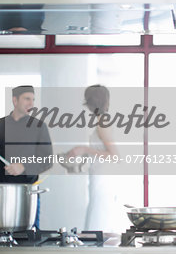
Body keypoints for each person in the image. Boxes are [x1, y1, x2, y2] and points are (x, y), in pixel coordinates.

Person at [66, 85, 121, 232]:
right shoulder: (101, 121)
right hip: (100, 176)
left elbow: (114, 156)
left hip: (103, 178)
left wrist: (84, 149)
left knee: (99, 223)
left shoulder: (103, 122)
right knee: (98, 221)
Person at [0, 85, 53, 228]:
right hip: (2, 193)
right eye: (27, 99)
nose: (31, 104)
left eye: (33, 100)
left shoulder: (39, 126)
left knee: (29, 238)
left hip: (28, 194)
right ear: (15, 100)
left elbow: (47, 160)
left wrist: (23, 166)